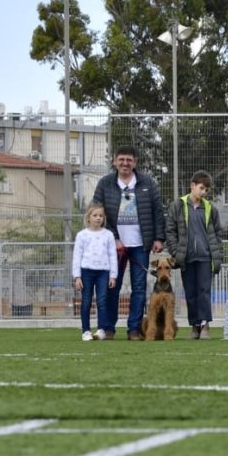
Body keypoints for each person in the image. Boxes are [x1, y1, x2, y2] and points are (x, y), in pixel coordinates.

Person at [91, 145, 165, 340]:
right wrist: (113, 237)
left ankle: (134, 329)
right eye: (121, 159)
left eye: (129, 160)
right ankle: (108, 328)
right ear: (115, 161)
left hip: (141, 245)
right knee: (112, 287)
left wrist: (158, 238)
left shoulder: (148, 183)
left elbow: (158, 211)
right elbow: (96, 211)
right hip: (114, 247)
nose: (125, 163)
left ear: (135, 163)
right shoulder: (105, 184)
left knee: (139, 288)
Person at [165, 170, 224, 339]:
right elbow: (170, 231)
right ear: (192, 186)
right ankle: (194, 326)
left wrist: (217, 254)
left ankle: (205, 326)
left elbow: (218, 233)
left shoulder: (210, 208)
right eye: (201, 188)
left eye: (207, 190)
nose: (204, 192)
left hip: (205, 257)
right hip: (187, 258)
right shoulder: (178, 205)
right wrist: (176, 252)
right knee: (190, 292)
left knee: (204, 291)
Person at [72, 204, 118, 342]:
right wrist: (77, 276)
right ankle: (86, 331)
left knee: (102, 300)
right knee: (86, 301)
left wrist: (113, 275)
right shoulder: (81, 235)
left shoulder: (108, 235)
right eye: (95, 215)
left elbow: (112, 255)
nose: (98, 218)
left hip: (103, 273)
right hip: (86, 272)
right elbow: (77, 256)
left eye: (101, 216)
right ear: (88, 218)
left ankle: (101, 329)